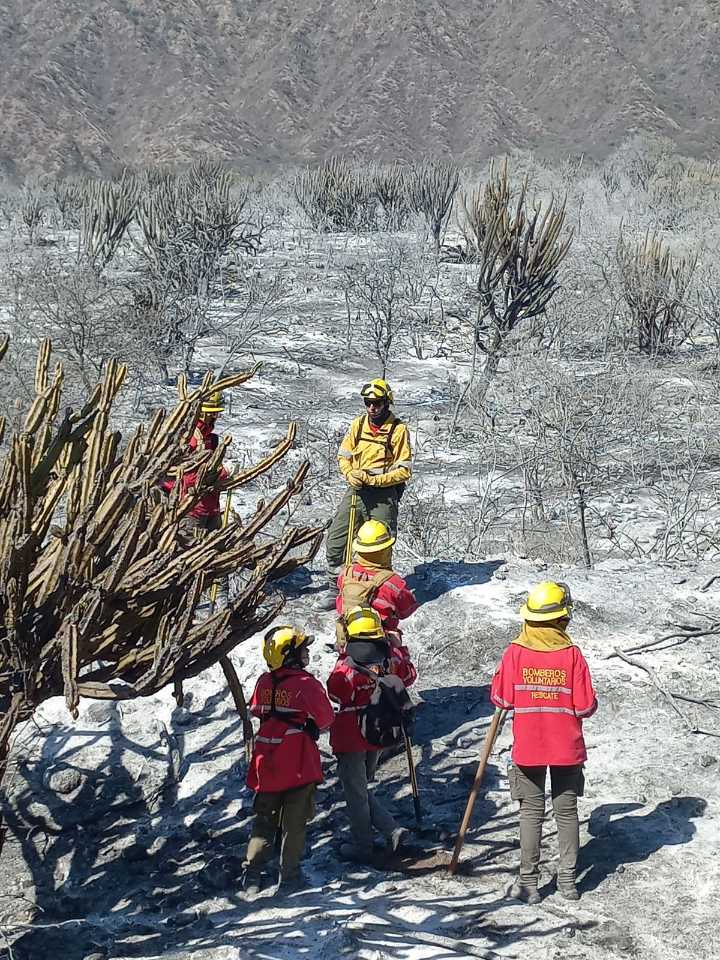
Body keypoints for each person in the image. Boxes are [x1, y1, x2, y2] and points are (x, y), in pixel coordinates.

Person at [490, 581, 597, 904]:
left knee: (530, 814)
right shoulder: (572, 656)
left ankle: (529, 884)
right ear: (562, 619)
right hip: (567, 748)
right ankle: (567, 882)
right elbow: (586, 706)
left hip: (529, 748)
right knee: (567, 813)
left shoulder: (515, 653)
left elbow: (501, 698)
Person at [242, 625, 335, 896]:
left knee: (263, 821)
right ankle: (289, 878)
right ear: (290, 655)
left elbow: (257, 709)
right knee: (294, 825)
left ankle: (252, 877)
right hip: (297, 763)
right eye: (302, 649)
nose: (307, 653)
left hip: (266, 763)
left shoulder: (264, 682)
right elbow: (326, 718)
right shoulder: (306, 684)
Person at [327, 606, 417, 864]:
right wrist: (399, 649)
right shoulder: (391, 658)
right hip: (380, 733)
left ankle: (365, 845)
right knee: (359, 788)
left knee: (355, 793)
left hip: (350, 736)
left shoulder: (347, 664)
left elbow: (336, 693)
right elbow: (409, 676)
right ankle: (391, 828)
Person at [319, 379, 412, 609]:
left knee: (380, 548)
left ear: (386, 403)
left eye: (377, 403)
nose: (372, 407)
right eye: (368, 402)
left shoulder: (398, 430)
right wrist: (349, 473)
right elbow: (344, 455)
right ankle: (336, 588)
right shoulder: (358, 425)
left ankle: (380, 596)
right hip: (357, 491)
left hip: (382, 496)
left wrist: (376, 480)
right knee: (336, 540)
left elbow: (404, 470)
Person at [335, 519, 418, 647]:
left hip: (349, 639)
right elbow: (407, 610)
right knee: (402, 663)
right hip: (382, 644)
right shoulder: (394, 583)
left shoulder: (346, 573)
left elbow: (340, 604)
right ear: (385, 550)